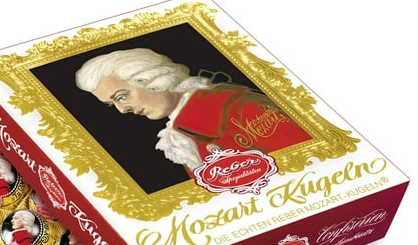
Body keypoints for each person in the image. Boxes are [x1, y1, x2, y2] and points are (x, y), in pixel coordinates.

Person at [75, 48, 312, 174]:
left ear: (149, 78)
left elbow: (310, 164)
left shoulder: (241, 106)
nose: (122, 110)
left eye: (121, 96)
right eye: (112, 104)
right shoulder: (180, 132)